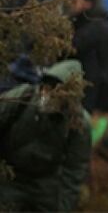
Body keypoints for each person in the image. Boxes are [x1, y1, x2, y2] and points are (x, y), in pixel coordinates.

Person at [0, 60, 91, 211]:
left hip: (44, 184)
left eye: (55, 90)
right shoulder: (24, 97)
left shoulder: (78, 123)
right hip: (10, 176)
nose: (46, 94)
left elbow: (74, 171)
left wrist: (62, 209)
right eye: (46, 87)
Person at [68, 0, 108, 112]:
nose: (70, 4)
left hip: (87, 88)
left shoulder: (96, 27)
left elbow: (73, 47)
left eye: (75, 0)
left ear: (88, 3)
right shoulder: (76, 22)